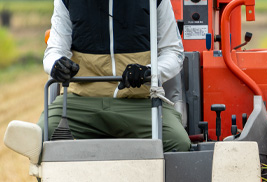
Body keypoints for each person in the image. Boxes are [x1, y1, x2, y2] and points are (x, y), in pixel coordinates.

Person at [39, 0, 190, 152]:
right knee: (39, 136)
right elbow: (54, 51)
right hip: (81, 102)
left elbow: (173, 51)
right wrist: (56, 65)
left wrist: (148, 71)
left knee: (179, 142)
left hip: (140, 103)